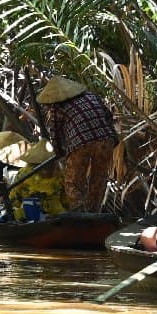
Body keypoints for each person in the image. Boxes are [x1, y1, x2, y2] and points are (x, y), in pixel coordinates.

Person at [37, 76, 118, 212]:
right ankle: (93, 212)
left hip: (81, 143)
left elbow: (55, 135)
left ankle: (80, 212)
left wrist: (59, 153)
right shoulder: (91, 96)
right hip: (106, 140)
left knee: (73, 183)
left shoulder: (57, 107)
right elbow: (108, 116)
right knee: (98, 179)